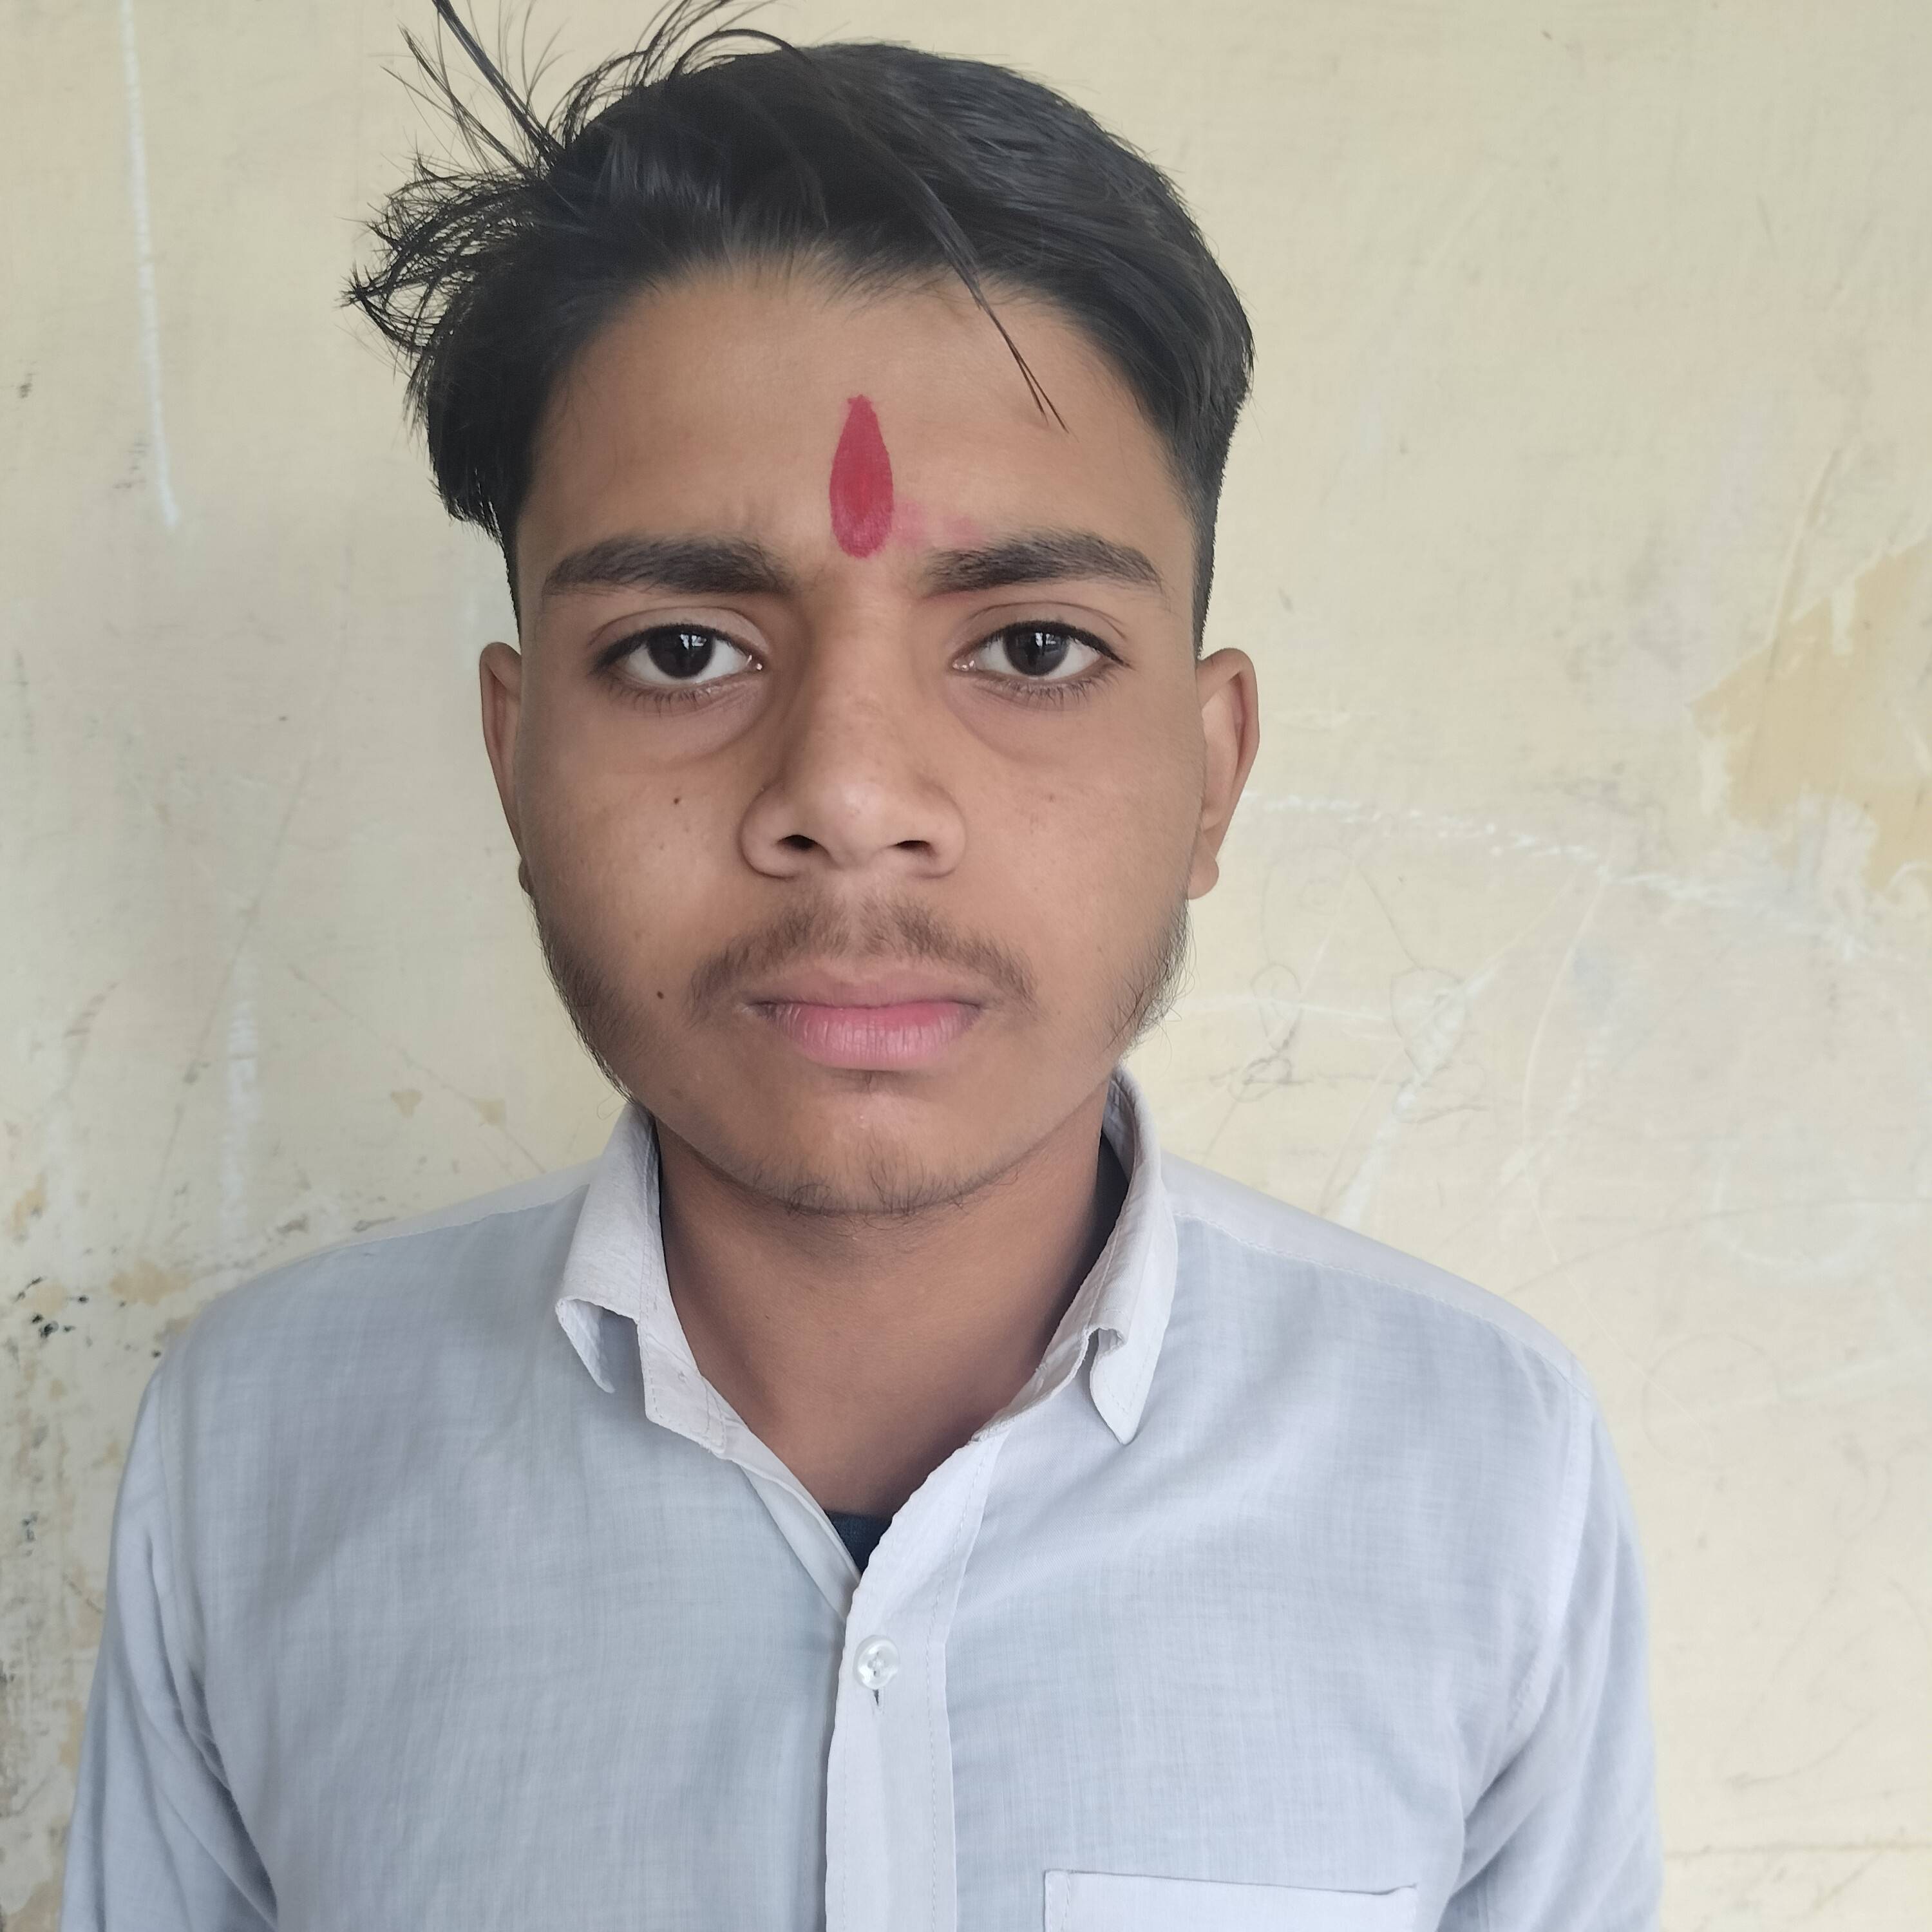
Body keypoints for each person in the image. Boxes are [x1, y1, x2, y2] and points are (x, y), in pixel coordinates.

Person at [62, 3, 1661, 1926]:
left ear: (1213, 771)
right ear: (513, 758)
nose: (847, 798)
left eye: (1033, 649)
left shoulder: (1483, 1466)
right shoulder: (255, 1457)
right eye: (681, 652)